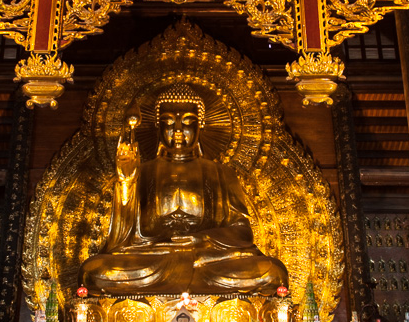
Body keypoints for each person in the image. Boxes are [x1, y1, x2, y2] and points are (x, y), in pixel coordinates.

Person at [80, 83, 287, 295]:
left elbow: (242, 232)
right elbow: (123, 238)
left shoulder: (222, 173)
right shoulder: (142, 171)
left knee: (272, 273)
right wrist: (126, 180)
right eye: (168, 122)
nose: (178, 130)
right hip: (154, 258)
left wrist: (201, 240)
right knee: (93, 272)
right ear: (158, 128)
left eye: (188, 122)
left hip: (207, 259)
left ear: (201, 125)